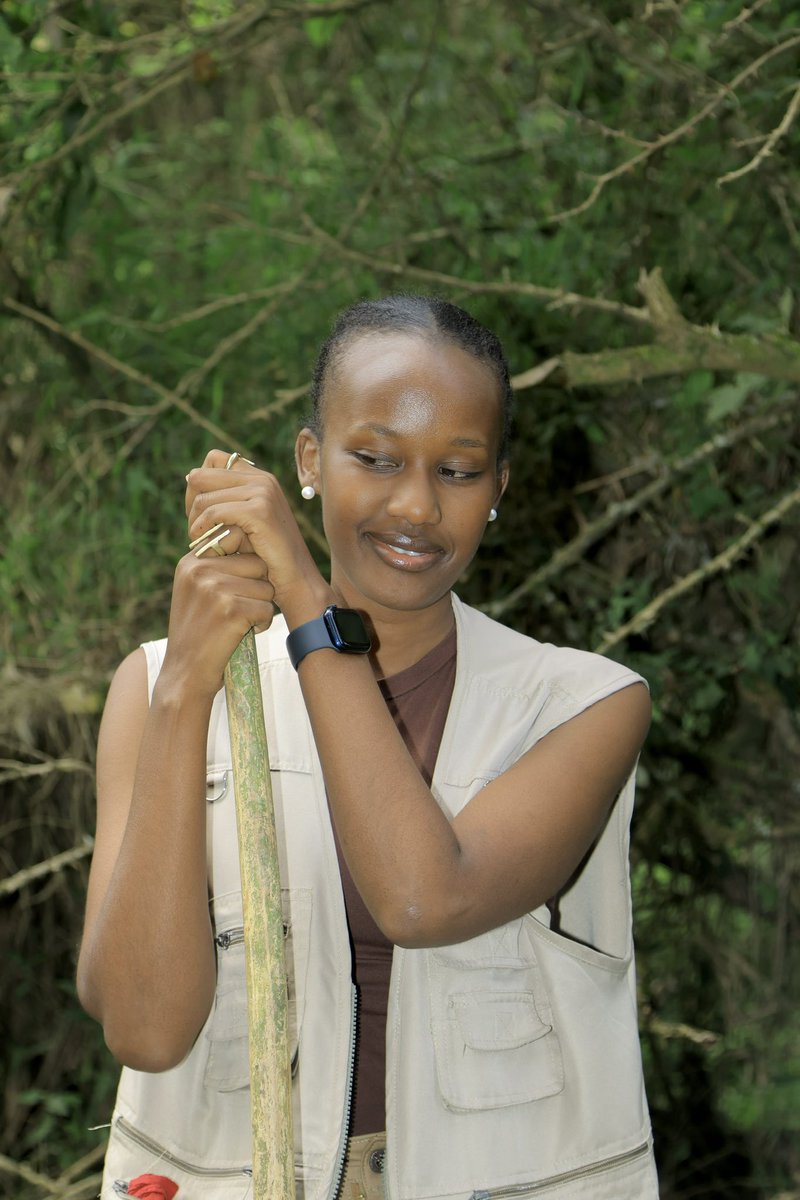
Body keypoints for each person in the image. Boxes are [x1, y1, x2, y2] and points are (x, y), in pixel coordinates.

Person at [78, 294, 659, 1200]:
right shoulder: (158, 683)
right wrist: (185, 691)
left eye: (459, 471)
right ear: (310, 459)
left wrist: (307, 597)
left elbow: (423, 899)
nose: (417, 505)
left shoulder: (584, 703)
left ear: (499, 489)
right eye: (376, 458)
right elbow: (145, 1033)